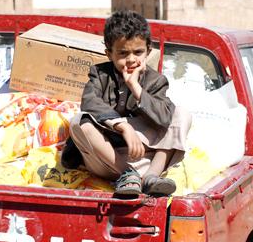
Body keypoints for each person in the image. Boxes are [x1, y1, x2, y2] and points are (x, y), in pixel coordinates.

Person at [64, 10, 190, 197]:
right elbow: (90, 102)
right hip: (108, 159)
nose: (131, 59)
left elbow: (164, 117)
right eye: (123, 53)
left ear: (148, 50)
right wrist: (124, 127)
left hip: (146, 156)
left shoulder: (156, 80)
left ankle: (151, 178)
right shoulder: (99, 74)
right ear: (109, 53)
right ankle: (127, 174)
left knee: (181, 114)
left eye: (138, 52)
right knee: (79, 122)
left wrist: (134, 86)